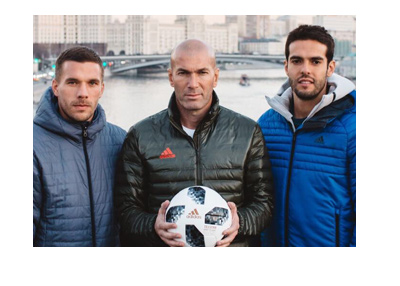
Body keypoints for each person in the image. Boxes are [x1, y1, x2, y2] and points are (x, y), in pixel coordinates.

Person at [114, 39, 274, 247]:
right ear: (171, 77)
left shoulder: (248, 132)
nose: (193, 83)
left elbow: (265, 204)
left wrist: (240, 222)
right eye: (183, 73)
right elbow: (125, 211)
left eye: (202, 73)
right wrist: (153, 225)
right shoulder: (141, 135)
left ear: (215, 77)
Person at [258, 25, 356, 247]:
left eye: (315, 61)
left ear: (330, 67)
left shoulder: (353, 128)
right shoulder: (266, 125)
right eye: (297, 61)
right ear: (286, 66)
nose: (305, 69)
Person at [33, 46, 127, 246]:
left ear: (101, 89)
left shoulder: (121, 141)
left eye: (92, 83)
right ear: (56, 87)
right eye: (73, 82)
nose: (83, 93)